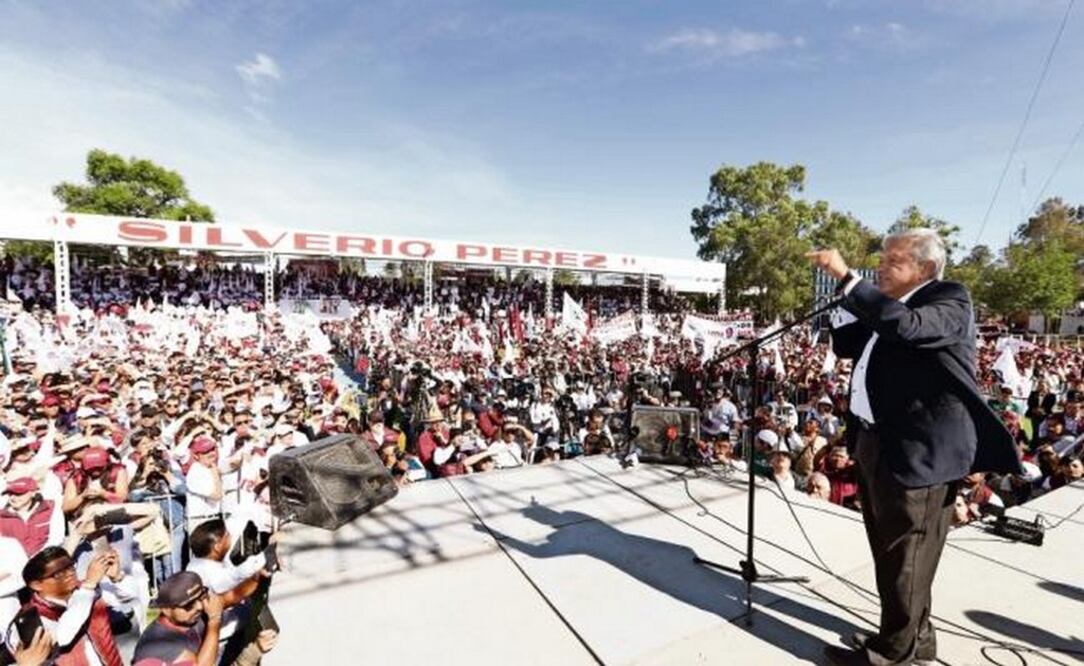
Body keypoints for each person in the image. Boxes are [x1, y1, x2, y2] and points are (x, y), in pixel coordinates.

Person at [809, 230, 1020, 666]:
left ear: (924, 268)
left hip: (919, 453)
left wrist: (848, 279)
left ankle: (891, 655)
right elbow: (848, 345)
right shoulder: (889, 308)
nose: (881, 267)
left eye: (894, 260)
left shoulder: (948, 299)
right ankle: (914, 638)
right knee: (893, 554)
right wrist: (843, 299)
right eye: (881, 260)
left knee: (906, 559)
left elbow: (908, 329)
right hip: (877, 442)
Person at [8, 546, 124, 666]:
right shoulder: (29, 619)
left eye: (70, 567)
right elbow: (63, 636)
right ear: (36, 585)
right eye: (58, 574)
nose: (69, 574)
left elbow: (126, 600)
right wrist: (89, 585)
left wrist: (116, 577)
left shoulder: (86, 590)